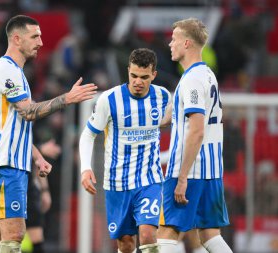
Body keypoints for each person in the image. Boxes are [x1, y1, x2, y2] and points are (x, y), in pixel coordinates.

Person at [0, 15, 97, 253]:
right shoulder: (6, 70)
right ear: (16, 38)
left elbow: (15, 125)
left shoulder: (17, 72)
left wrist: (36, 156)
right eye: (35, 36)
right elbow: (29, 112)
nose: (41, 42)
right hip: (4, 165)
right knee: (14, 234)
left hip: (10, 164)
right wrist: (67, 98)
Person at [79, 48, 171, 253]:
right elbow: (88, 134)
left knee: (147, 235)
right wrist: (85, 168)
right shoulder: (109, 100)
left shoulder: (163, 97)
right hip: (117, 183)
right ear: (128, 70)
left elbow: (177, 123)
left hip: (149, 180)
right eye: (134, 75)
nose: (138, 81)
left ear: (154, 75)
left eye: (144, 77)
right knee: (126, 243)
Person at [157, 18, 232, 253]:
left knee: (166, 233)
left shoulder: (191, 80)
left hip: (191, 169)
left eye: (174, 39)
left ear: (187, 43)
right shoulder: (207, 75)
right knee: (210, 235)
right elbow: (172, 118)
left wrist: (182, 177)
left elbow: (197, 130)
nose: (170, 44)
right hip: (211, 169)